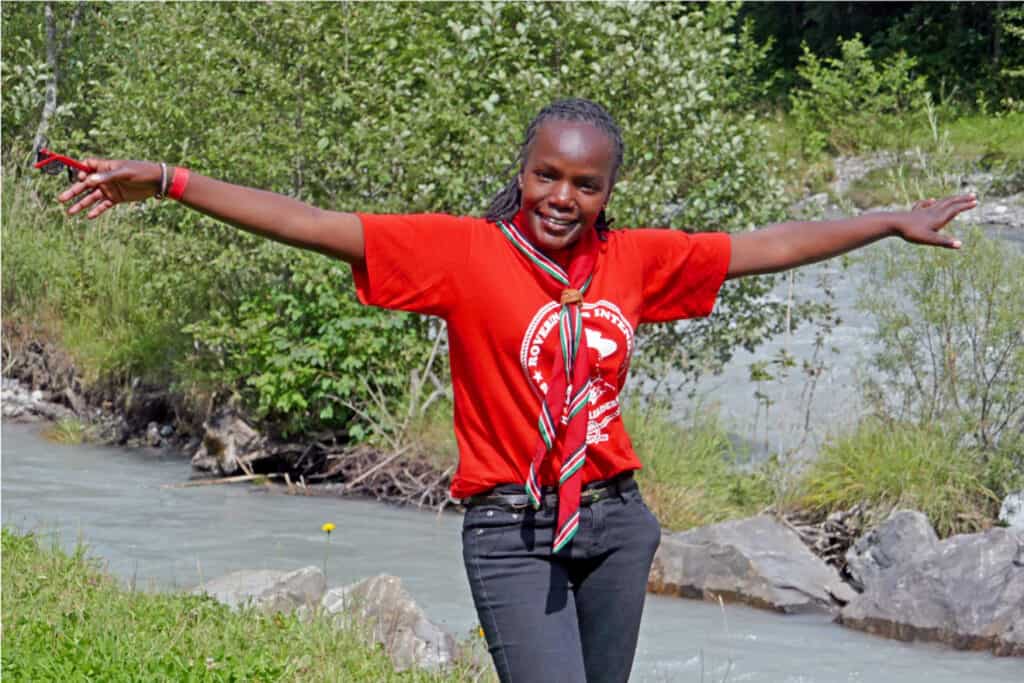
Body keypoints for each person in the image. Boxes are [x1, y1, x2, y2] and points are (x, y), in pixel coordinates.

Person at [59, 98, 975, 682]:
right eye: (547, 174)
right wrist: (172, 182)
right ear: (523, 169)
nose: (563, 196)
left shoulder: (637, 259)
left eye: (586, 182)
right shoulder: (463, 253)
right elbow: (310, 223)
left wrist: (887, 221)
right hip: (513, 526)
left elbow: (766, 245)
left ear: (609, 191)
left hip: (616, 521)